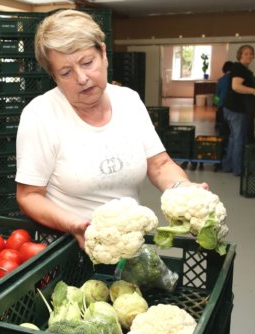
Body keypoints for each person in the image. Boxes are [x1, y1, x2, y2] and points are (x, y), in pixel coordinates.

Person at [15, 9, 207, 249]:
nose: (82, 78)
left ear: (103, 53)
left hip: (128, 244)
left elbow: (159, 165)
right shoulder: (41, 115)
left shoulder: (129, 101)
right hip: (66, 248)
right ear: (53, 76)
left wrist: (184, 190)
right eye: (66, 72)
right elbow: (29, 195)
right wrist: (75, 224)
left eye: (88, 62)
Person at [222, 45, 255, 177]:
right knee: (239, 139)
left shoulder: (243, 70)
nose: (249, 56)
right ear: (240, 55)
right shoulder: (239, 68)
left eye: (251, 53)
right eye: (246, 53)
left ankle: (228, 165)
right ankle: (238, 169)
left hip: (231, 108)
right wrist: (254, 91)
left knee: (234, 138)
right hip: (236, 109)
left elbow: (243, 84)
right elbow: (236, 86)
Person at [214, 61, 233, 171]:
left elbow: (216, 97)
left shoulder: (221, 80)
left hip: (222, 108)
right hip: (233, 107)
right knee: (232, 133)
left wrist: (217, 105)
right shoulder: (234, 78)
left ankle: (221, 153)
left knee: (223, 131)